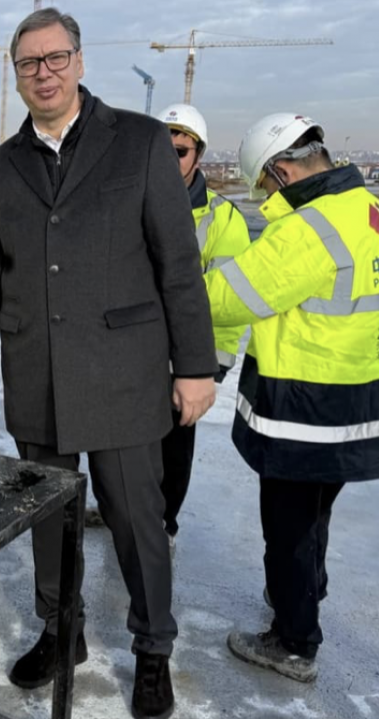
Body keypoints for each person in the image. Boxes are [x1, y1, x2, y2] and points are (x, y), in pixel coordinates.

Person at [0, 9, 217, 717]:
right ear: (15, 75)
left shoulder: (135, 142)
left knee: (136, 518)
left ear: (78, 59)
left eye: (54, 58)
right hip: (36, 374)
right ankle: (59, 629)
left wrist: (195, 367)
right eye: (28, 63)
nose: (43, 73)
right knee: (49, 517)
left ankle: (152, 648)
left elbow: (177, 263)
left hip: (124, 373)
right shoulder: (0, 168)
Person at [205, 113, 379, 682]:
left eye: (265, 186)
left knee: (288, 526)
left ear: (281, 170)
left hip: (306, 405)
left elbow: (231, 298)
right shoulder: (377, 215)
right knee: (317, 513)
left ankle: (294, 642)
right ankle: (306, 595)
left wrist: (175, 288)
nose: (267, 197)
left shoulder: (308, 227)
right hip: (362, 398)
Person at [153, 103, 251, 548]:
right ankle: (132, 513)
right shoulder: (132, 202)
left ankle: (163, 524)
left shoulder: (223, 219)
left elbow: (228, 300)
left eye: (178, 150)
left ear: (198, 156)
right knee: (129, 445)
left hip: (190, 357)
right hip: (136, 351)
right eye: (160, 150)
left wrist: (209, 367)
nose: (168, 159)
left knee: (174, 448)